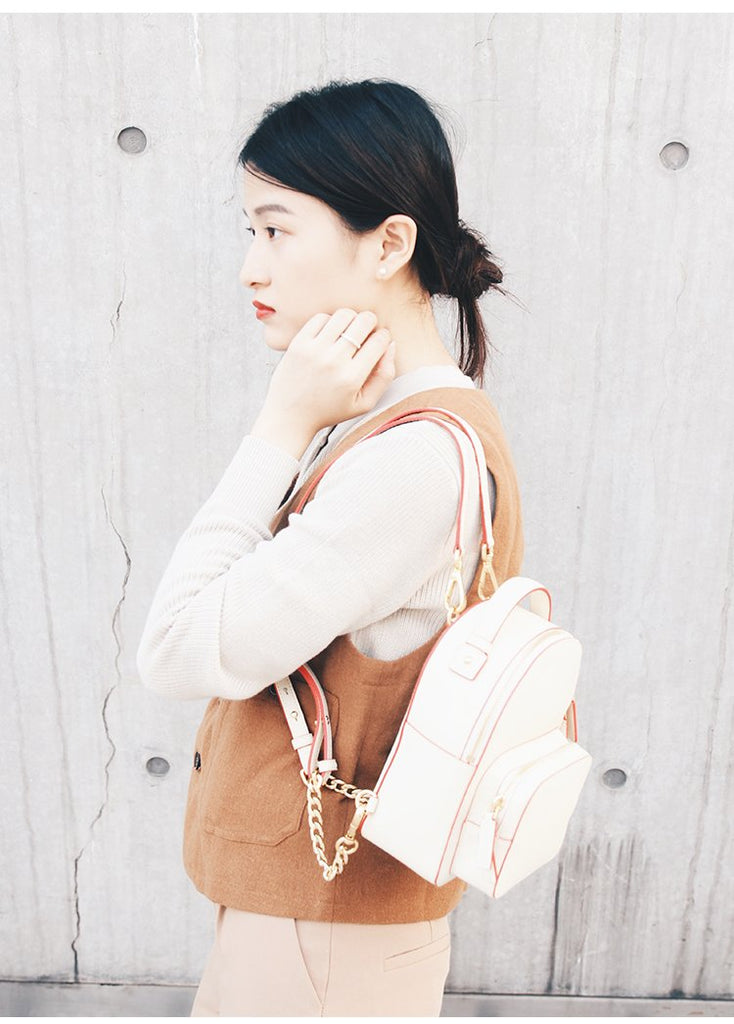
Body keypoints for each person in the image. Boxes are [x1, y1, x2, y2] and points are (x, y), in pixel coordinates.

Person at [136, 78, 524, 1017]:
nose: (251, 268)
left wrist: (276, 429)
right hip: (318, 924)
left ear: (388, 242)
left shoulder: (413, 461)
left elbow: (180, 648)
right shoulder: (396, 425)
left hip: (323, 938)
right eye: (248, 232)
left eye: (277, 229)